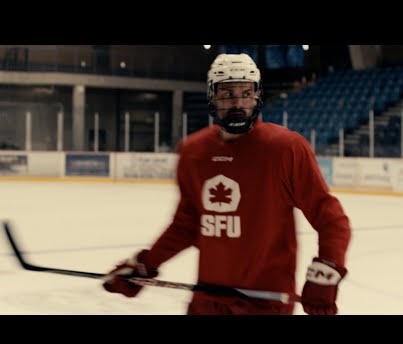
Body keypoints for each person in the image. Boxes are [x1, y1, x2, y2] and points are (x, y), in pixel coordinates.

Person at [102, 53, 351, 315]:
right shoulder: (193, 151)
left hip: (264, 305)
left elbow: (331, 219)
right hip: (207, 301)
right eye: (227, 93)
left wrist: (327, 268)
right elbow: (187, 224)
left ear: (258, 95)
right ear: (212, 96)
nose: (238, 103)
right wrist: (145, 265)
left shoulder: (285, 149)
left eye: (246, 93)